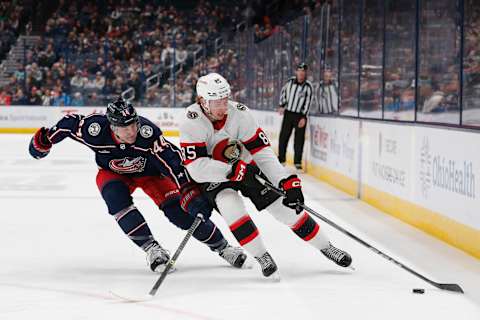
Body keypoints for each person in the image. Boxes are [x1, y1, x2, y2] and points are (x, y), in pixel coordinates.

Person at [28, 98, 247, 273]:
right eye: (125, 127)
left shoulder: (147, 134)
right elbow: (68, 125)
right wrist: (45, 140)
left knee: (179, 213)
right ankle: (153, 250)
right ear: (112, 126)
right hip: (113, 172)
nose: (132, 131)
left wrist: (188, 190)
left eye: (133, 124)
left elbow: (173, 161)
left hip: (151, 174)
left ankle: (223, 247)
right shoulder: (94, 130)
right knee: (116, 199)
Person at [179, 73, 352, 279]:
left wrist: (285, 180)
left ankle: (326, 247)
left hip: (248, 168)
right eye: (217, 101)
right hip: (215, 176)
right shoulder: (191, 121)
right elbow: (197, 168)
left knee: (284, 208)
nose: (224, 106)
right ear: (202, 101)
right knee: (230, 205)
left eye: (225, 99)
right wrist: (233, 171)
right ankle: (261, 256)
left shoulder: (240, 113)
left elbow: (262, 152)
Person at [277, 63, 314, 170]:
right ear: (296, 72)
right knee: (283, 136)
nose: (301, 73)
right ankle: (281, 159)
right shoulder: (290, 82)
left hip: (300, 116)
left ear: (305, 73)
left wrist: (304, 117)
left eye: (303, 71)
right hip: (288, 113)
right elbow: (283, 93)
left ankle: (297, 162)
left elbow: (308, 102)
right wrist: (281, 105)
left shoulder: (308, 86)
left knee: (299, 139)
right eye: (299, 70)